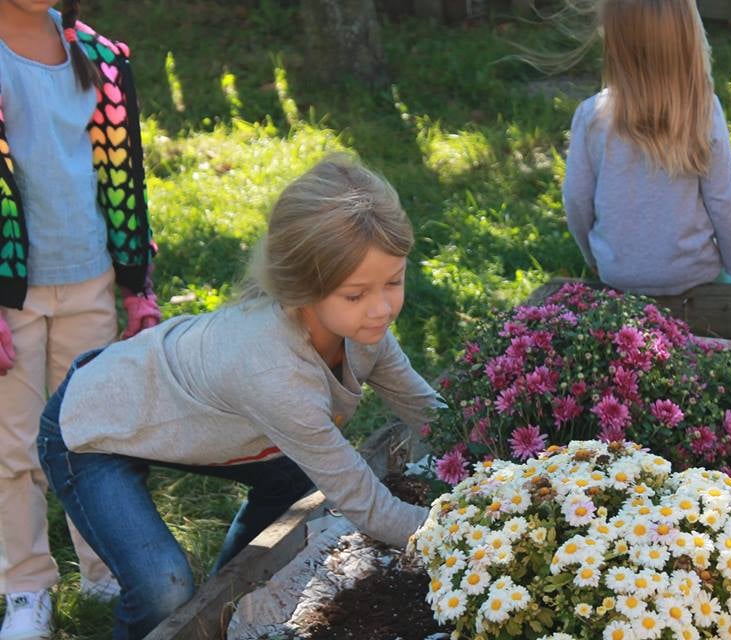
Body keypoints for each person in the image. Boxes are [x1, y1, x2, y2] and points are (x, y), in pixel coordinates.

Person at [37, 154, 443, 639]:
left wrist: (504, 469)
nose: (381, 308)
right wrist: (462, 529)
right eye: (355, 294)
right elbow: (369, 508)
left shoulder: (364, 331)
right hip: (91, 426)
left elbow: (428, 414)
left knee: (294, 480)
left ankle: (220, 603)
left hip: (178, 412)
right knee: (162, 589)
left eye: (393, 282)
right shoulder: (275, 373)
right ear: (302, 289)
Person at [0, 1, 160, 636]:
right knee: (14, 448)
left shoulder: (96, 56)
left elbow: (124, 175)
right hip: (10, 297)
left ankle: (103, 570)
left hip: (89, 277)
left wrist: (134, 286)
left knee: (90, 436)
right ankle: (25, 586)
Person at [561, 0, 731, 296]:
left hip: (618, 274)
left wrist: (594, 257)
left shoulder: (592, 115)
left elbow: (576, 200)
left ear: (614, 41)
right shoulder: (704, 109)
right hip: (695, 274)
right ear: (688, 36)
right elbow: (724, 201)